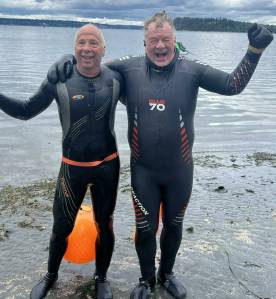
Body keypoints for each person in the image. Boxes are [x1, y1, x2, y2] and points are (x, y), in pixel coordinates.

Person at [47, 11, 273, 299]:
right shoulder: (127, 69)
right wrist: (66, 58)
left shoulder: (192, 69)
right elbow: (90, 63)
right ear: (145, 43)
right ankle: (145, 280)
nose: (160, 46)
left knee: (174, 225)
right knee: (145, 229)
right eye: (154, 40)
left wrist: (255, 51)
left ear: (175, 41)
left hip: (180, 170)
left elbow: (232, 85)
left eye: (166, 39)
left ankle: (167, 274)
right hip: (144, 172)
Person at [0, 24, 124, 299]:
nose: (87, 48)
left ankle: (101, 277)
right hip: (72, 168)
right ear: (74, 48)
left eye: (94, 43)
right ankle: (51, 275)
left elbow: (143, 75)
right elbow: (25, 111)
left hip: (108, 166)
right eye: (81, 43)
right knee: (61, 227)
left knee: (105, 224)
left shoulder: (116, 78)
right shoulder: (59, 81)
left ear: (104, 49)